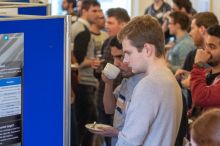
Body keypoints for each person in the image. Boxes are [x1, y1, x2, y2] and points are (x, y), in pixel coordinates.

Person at [116, 15, 183, 146]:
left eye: (128, 53)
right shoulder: (170, 79)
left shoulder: (149, 85)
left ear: (147, 49)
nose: (125, 60)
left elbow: (128, 142)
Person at [90, 37, 144, 146]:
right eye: (114, 57)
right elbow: (109, 109)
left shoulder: (144, 85)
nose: (116, 63)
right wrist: (108, 83)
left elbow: (142, 133)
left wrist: (116, 133)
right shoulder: (126, 80)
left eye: (120, 56)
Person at [95, 8, 130, 146]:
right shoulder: (108, 42)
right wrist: (102, 75)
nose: (116, 63)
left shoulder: (141, 82)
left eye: (111, 22)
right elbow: (110, 109)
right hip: (106, 97)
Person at [71, 1, 101, 146]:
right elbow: (76, 60)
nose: (98, 14)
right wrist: (92, 61)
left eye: (99, 11)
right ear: (84, 11)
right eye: (94, 11)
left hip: (81, 83)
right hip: (83, 83)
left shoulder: (78, 27)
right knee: (86, 126)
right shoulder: (81, 30)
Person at [190, 25, 220, 111]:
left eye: (212, 46)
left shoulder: (201, 68)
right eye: (206, 45)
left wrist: (199, 65)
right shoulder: (208, 71)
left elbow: (199, 98)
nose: (206, 51)